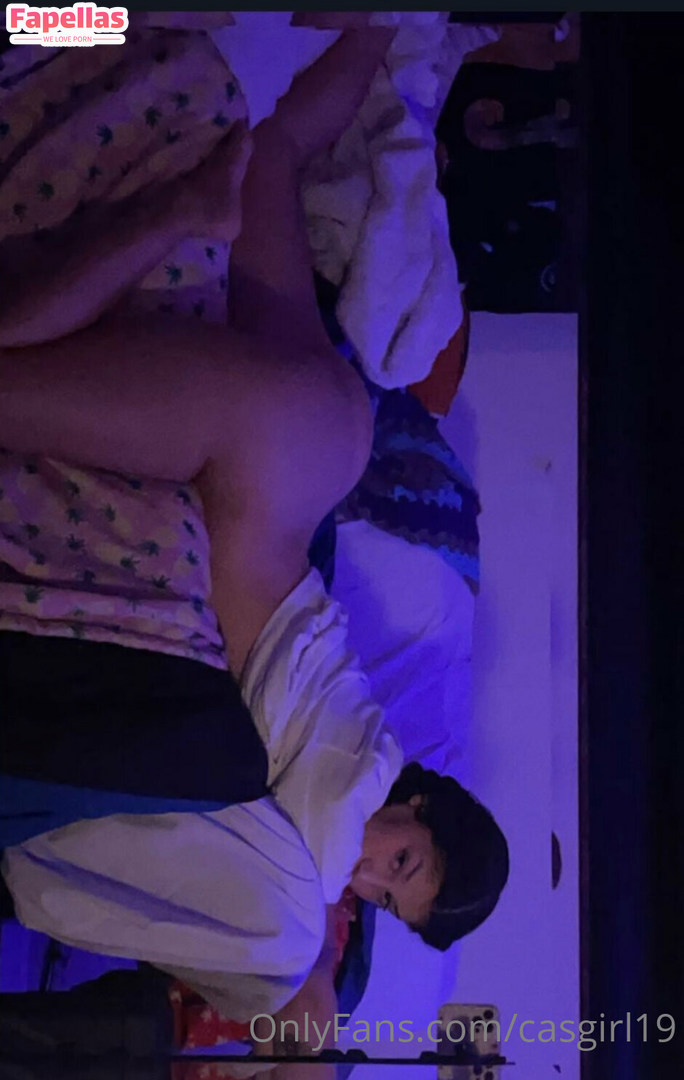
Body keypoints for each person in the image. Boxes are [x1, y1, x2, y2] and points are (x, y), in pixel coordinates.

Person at [0, 27, 509, 1048]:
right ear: (419, 806)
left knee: (268, 157)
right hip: (263, 464)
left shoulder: (362, 764)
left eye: (385, 895)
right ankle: (161, 193)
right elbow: (291, 967)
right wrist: (315, 978)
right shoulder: (343, 804)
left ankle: (382, 27)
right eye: (401, 863)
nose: (365, 874)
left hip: (317, 455)